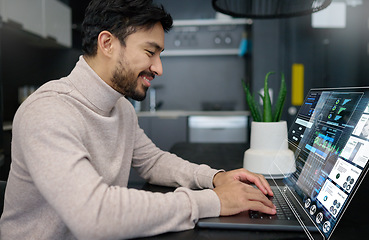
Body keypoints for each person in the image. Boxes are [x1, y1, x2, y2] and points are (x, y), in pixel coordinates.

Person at [0, 0, 276, 239]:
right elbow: (94, 216)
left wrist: (215, 177)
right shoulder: (48, 112)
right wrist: (214, 201)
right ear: (107, 43)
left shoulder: (121, 107)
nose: (158, 68)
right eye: (149, 52)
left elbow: (152, 162)